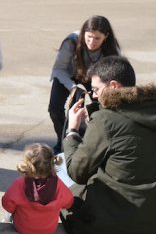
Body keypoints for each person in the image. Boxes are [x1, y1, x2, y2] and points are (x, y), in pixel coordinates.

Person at [63, 55, 156, 234]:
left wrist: (72, 132)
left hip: (105, 231)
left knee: (62, 175)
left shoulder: (107, 120)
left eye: (96, 90)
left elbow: (77, 172)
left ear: (114, 86)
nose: (94, 95)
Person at [49, 15, 121, 153]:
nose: (92, 42)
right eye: (89, 36)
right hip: (69, 74)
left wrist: (100, 90)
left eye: (97, 38)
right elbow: (58, 69)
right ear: (83, 33)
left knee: (101, 107)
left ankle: (95, 140)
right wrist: (72, 87)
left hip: (96, 77)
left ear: (106, 36)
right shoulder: (71, 42)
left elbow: (114, 74)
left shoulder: (111, 49)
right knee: (54, 108)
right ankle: (63, 140)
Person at [1, 143, 74, 234]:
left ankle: (6, 220)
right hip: (49, 230)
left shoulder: (20, 183)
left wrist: (12, 210)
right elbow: (68, 202)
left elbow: (7, 203)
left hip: (23, 228)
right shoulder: (58, 184)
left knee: (10, 210)